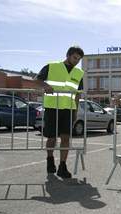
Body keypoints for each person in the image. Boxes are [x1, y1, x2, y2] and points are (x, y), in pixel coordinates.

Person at [35, 46, 85, 179]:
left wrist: (75, 111)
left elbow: (78, 95)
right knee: (51, 137)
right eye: (75, 57)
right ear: (68, 55)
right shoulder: (51, 66)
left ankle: (62, 166)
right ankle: (50, 160)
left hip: (68, 109)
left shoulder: (79, 73)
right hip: (52, 108)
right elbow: (37, 80)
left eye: (79, 59)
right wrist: (45, 86)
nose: (76, 61)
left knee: (65, 138)